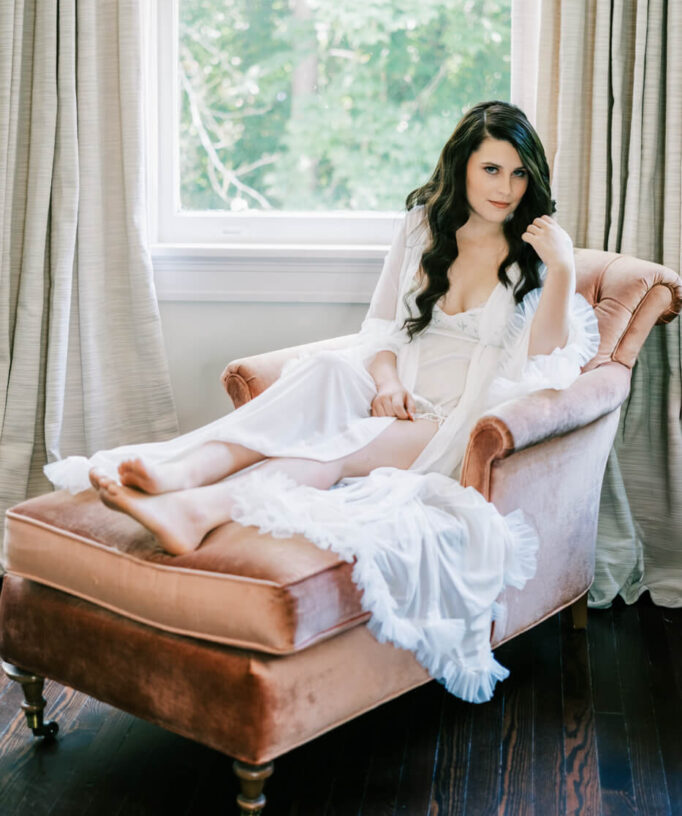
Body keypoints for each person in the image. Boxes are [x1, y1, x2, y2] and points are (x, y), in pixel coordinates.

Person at [44, 100, 600, 702]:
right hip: (397, 391)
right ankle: (182, 469)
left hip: (447, 422)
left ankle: (198, 511)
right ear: (463, 165)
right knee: (327, 369)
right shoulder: (421, 227)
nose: (506, 188)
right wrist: (385, 383)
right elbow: (382, 329)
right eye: (492, 169)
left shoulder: (536, 256)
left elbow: (545, 363)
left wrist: (563, 267)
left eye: (519, 174)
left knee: (340, 445)